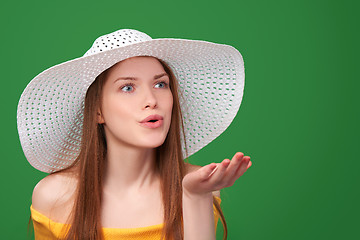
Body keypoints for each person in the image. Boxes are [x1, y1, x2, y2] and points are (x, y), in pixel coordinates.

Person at [17, 29, 251, 240]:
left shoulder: (199, 184)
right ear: (98, 110)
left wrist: (196, 197)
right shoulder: (53, 196)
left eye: (160, 84)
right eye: (127, 87)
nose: (151, 100)